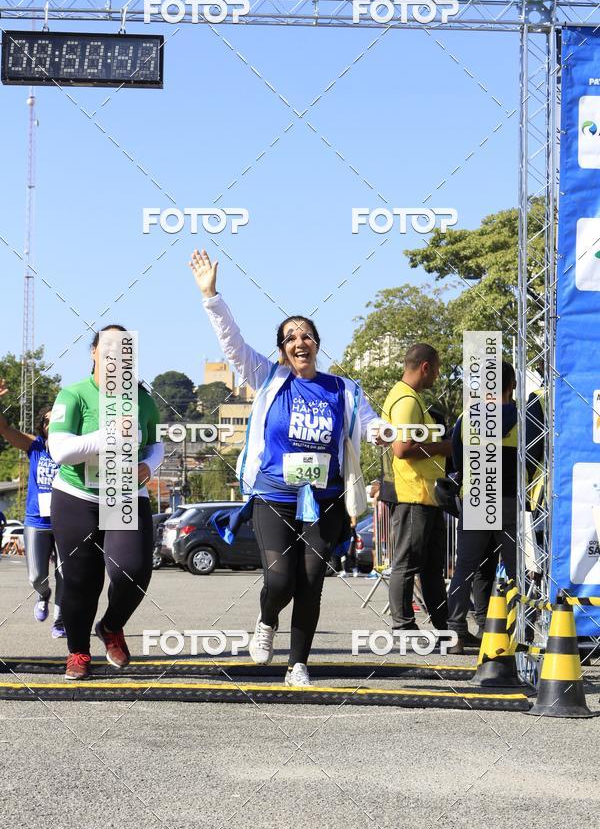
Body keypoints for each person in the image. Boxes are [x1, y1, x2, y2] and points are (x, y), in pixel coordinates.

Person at [190, 249, 380, 687]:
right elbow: (232, 344)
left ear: (317, 344)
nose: (300, 341)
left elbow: (367, 425)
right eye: (291, 336)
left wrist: (385, 433)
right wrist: (211, 296)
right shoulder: (269, 378)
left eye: (307, 335)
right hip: (274, 495)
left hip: (325, 498)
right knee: (279, 579)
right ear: (282, 350)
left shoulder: (342, 388)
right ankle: (266, 620)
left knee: (311, 579)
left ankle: (298, 663)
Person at [48, 325, 164, 681]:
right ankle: (78, 652)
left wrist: (150, 464)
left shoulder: (142, 399)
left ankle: (111, 626)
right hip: (76, 496)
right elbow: (60, 449)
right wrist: (106, 437)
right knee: (81, 580)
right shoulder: (74, 394)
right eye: (108, 346)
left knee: (134, 570)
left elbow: (156, 442)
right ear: (94, 352)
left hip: (125, 491)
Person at [446, 361, 518, 654]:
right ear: (511, 386)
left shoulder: (467, 417)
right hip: (511, 499)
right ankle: (514, 631)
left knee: (464, 568)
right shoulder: (524, 417)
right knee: (515, 571)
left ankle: (455, 634)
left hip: (477, 497)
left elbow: (457, 462)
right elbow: (537, 457)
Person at [382, 344, 452, 633]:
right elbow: (402, 448)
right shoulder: (406, 400)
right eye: (436, 370)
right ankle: (403, 624)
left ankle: (444, 625)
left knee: (432, 568)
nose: (437, 376)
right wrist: (445, 447)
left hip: (426, 496)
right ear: (425, 367)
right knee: (407, 562)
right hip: (412, 494)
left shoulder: (410, 398)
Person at [0, 385, 64, 636]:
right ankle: (43, 594)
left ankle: (60, 620)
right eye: (47, 421)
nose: (52, 425)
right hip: (36, 521)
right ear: (42, 426)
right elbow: (3, 429)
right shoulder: (35, 446)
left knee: (65, 574)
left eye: (56, 420)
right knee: (37, 575)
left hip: (66, 520)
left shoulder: (74, 449)